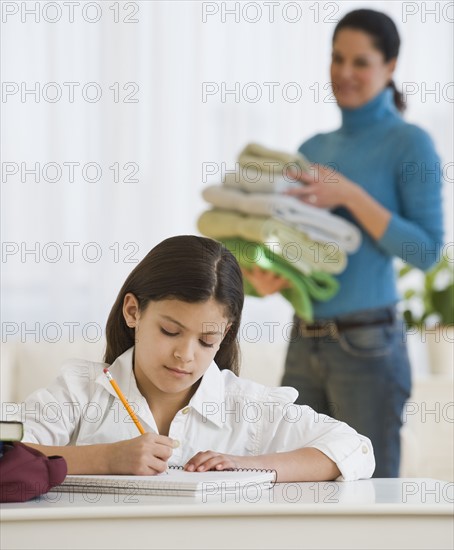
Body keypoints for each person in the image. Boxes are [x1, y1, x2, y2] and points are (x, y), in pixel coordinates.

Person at [242, 9, 444, 477]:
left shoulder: (411, 144)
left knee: (370, 497)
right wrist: (270, 278)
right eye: (337, 59)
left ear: (390, 66)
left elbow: (426, 251)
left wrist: (350, 195)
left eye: (361, 62)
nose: (344, 73)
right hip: (304, 340)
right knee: (291, 492)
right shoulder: (312, 148)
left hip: (369, 346)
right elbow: (298, 253)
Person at [21, 235, 374, 482]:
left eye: (207, 341)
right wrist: (107, 458)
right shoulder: (80, 391)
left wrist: (247, 466)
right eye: (170, 332)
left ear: (225, 334)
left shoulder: (246, 406)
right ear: (133, 311)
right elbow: (7, 453)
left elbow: (356, 449)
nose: (185, 355)